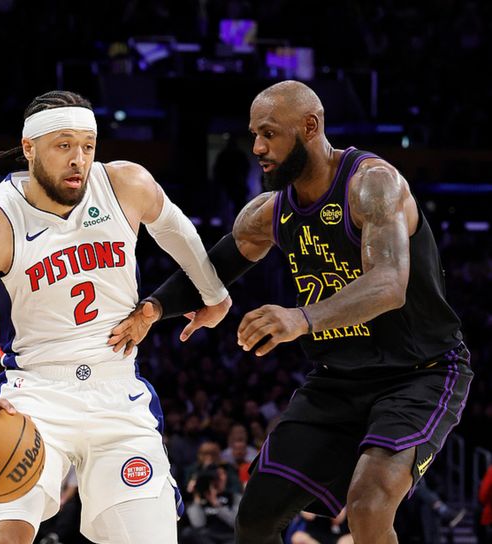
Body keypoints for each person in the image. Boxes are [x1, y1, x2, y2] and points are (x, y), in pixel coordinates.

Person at [109, 80, 473, 544]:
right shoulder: (269, 212)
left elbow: (388, 284)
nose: (257, 148)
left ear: (310, 127)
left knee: (369, 504)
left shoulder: (372, 184)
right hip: (338, 380)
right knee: (255, 518)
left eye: (269, 134)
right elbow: (213, 269)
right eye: (254, 135)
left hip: (418, 374)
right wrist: (154, 308)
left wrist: (301, 318)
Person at [0, 90, 231, 544]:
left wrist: (213, 293)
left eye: (88, 145)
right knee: (5, 535)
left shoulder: (125, 184)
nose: (79, 159)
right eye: (64, 145)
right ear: (29, 148)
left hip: (117, 394)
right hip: (35, 398)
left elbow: (173, 226)